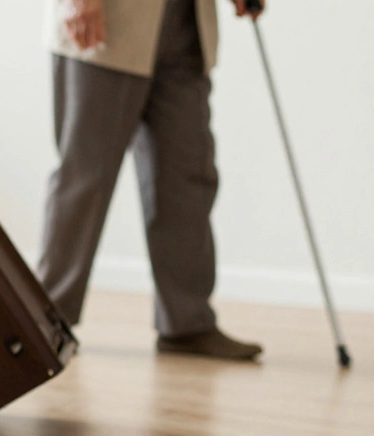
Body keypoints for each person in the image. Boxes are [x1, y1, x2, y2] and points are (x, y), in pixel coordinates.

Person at [38, 0, 264, 360]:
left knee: (187, 176)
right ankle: (46, 321)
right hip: (107, 21)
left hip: (185, 23)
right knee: (85, 178)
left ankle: (187, 323)